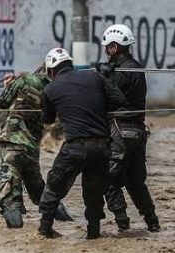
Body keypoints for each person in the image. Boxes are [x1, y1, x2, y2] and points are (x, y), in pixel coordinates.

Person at [38, 47, 126, 239]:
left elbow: (48, 120)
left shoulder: (50, 88)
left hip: (75, 147)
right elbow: (119, 100)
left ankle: (45, 230)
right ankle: (93, 234)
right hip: (102, 147)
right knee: (94, 192)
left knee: (54, 184)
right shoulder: (96, 77)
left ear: (51, 71)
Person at [96, 23, 160, 232]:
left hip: (118, 130)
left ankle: (122, 222)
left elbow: (109, 95)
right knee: (135, 182)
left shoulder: (120, 71)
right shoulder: (137, 67)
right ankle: (152, 221)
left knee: (108, 178)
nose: (106, 51)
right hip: (139, 132)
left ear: (115, 46)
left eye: (108, 47)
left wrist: (103, 76)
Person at [0, 67, 74, 228]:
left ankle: (15, 236)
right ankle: (68, 222)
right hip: (32, 147)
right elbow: (55, 123)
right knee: (39, 192)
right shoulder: (55, 90)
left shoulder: (25, 80)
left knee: (9, 194)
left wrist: (9, 84)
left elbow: (2, 102)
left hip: (12, 142)